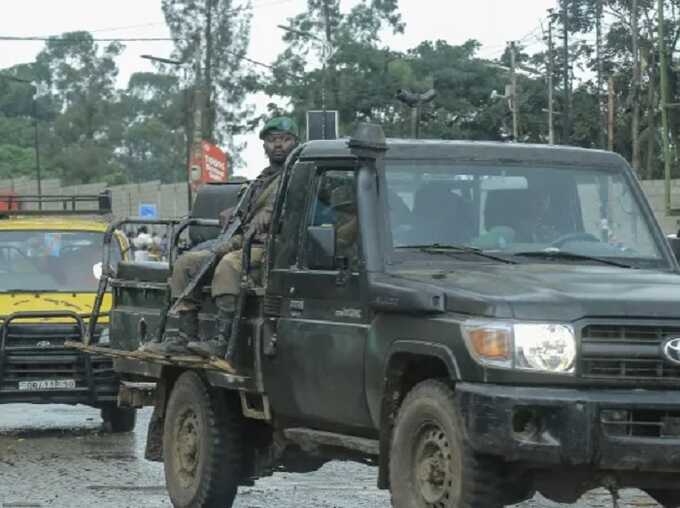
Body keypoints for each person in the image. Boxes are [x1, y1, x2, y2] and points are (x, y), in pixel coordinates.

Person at [143, 116, 300, 360]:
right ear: (264, 146)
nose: (278, 145)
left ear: (296, 143)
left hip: (274, 248)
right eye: (272, 140)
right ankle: (186, 336)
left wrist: (273, 215)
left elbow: (297, 207)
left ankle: (221, 340)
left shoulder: (299, 176)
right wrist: (236, 212)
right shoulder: (261, 179)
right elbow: (247, 211)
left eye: (285, 140)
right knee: (187, 263)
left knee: (229, 265)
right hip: (244, 240)